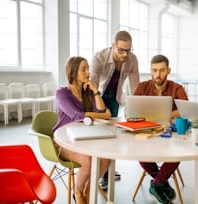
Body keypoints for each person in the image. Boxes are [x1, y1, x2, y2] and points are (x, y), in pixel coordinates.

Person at [53, 56, 111, 204]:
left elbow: (101, 109)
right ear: (73, 73)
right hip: (63, 141)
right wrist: (102, 115)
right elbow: (76, 115)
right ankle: (78, 191)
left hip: (84, 137)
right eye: (83, 69)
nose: (88, 72)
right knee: (88, 160)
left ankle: (88, 188)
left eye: (88, 69)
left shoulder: (88, 91)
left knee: (105, 158)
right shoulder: (62, 93)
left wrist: (96, 91)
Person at [134, 54, 188, 204]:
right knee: (141, 155)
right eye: (155, 70)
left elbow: (185, 110)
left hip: (170, 136)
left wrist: (165, 114)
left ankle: (156, 184)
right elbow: (130, 111)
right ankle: (161, 182)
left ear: (168, 70)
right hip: (147, 133)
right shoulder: (142, 87)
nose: (158, 74)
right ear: (151, 70)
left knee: (178, 154)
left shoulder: (177, 88)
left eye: (162, 70)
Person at [90, 30, 140, 188]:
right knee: (98, 134)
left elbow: (135, 86)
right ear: (113, 46)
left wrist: (133, 108)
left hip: (115, 97)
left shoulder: (132, 60)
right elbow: (92, 85)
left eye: (128, 50)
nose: (125, 54)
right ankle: (98, 170)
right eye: (121, 50)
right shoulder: (99, 58)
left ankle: (107, 171)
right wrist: (93, 106)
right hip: (98, 95)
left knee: (112, 134)